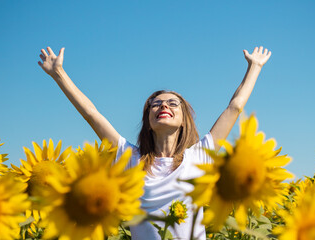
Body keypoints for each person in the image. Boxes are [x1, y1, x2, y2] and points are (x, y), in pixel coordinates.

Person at [38, 46, 271, 240]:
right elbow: (91, 114)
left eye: (172, 103)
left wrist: (255, 67)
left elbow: (235, 107)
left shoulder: (199, 156)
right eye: (155, 104)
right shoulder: (130, 158)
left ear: (183, 121)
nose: (163, 106)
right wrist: (59, 73)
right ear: (148, 121)